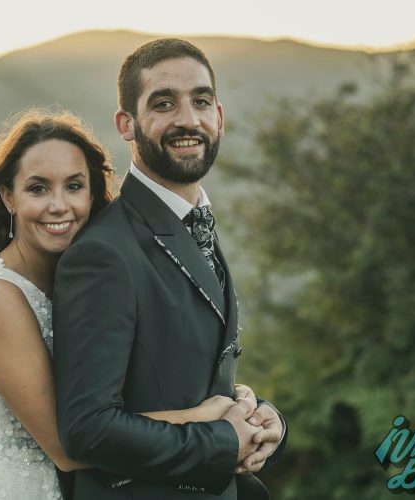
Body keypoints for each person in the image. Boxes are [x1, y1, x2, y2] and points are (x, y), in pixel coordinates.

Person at [0, 109, 253, 500]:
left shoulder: (93, 279)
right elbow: (70, 445)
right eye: (38, 188)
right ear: (8, 197)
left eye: (74, 186)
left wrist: (239, 402)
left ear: (93, 193)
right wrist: (205, 417)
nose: (59, 205)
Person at [53, 39, 288, 499]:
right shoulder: (103, 253)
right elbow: (89, 429)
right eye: (163, 104)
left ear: (218, 116)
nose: (188, 119)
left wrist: (265, 421)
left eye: (200, 101)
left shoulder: (194, 222)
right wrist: (224, 442)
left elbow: (188, 382)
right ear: (127, 124)